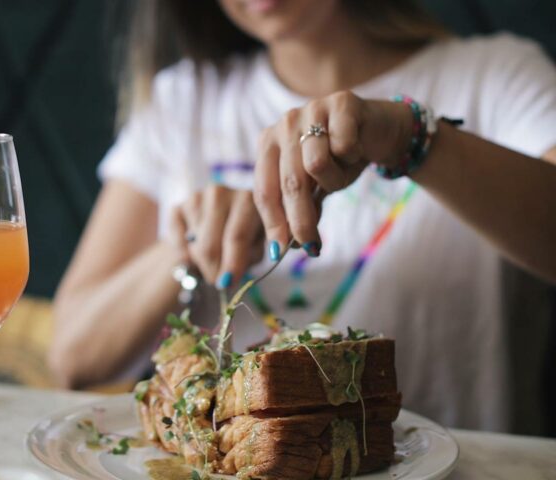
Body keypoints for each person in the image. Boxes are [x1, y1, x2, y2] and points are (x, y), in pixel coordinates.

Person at [50, 0, 556, 435]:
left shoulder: (497, 76)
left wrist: (410, 138)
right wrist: (192, 245)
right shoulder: (183, 101)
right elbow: (73, 357)